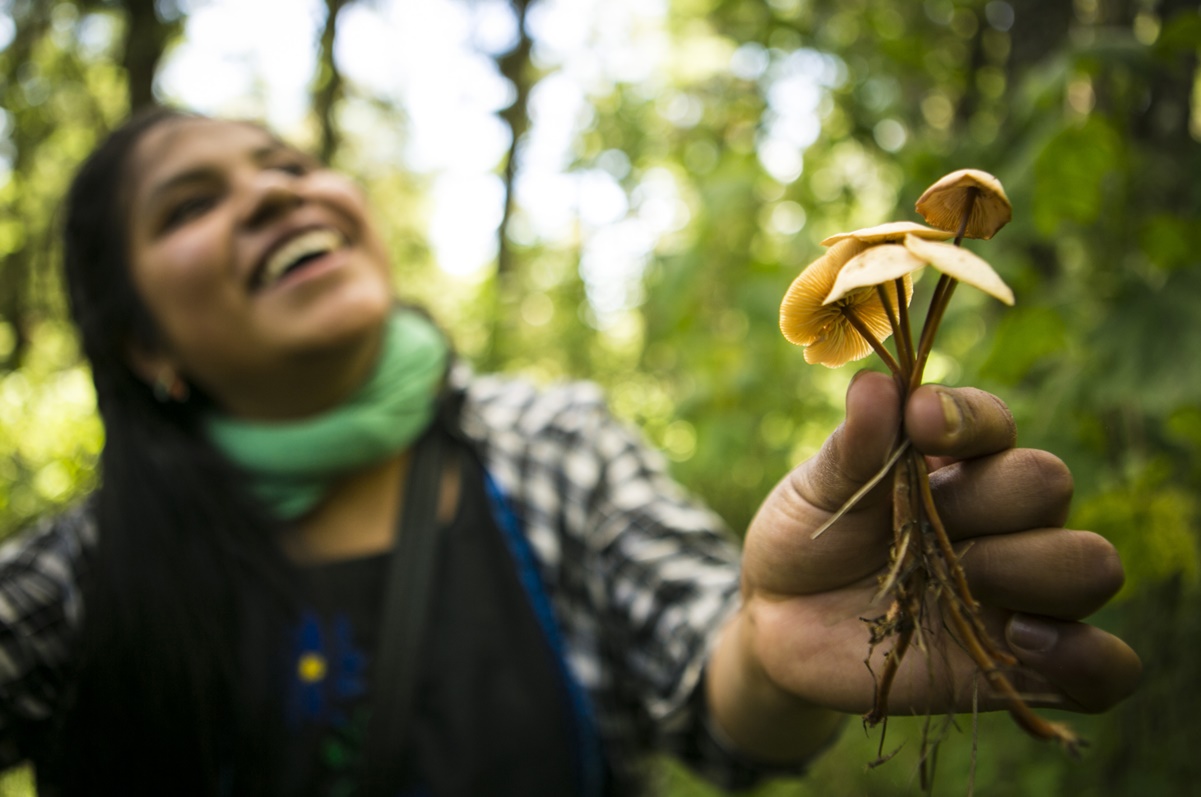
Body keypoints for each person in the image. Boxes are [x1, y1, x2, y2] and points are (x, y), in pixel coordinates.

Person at [0, 106, 1140, 796]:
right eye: (192, 203)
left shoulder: (550, 449)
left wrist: (772, 645)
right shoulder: (77, 573)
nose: (270, 192)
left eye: (288, 163)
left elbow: (719, 661)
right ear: (141, 339)